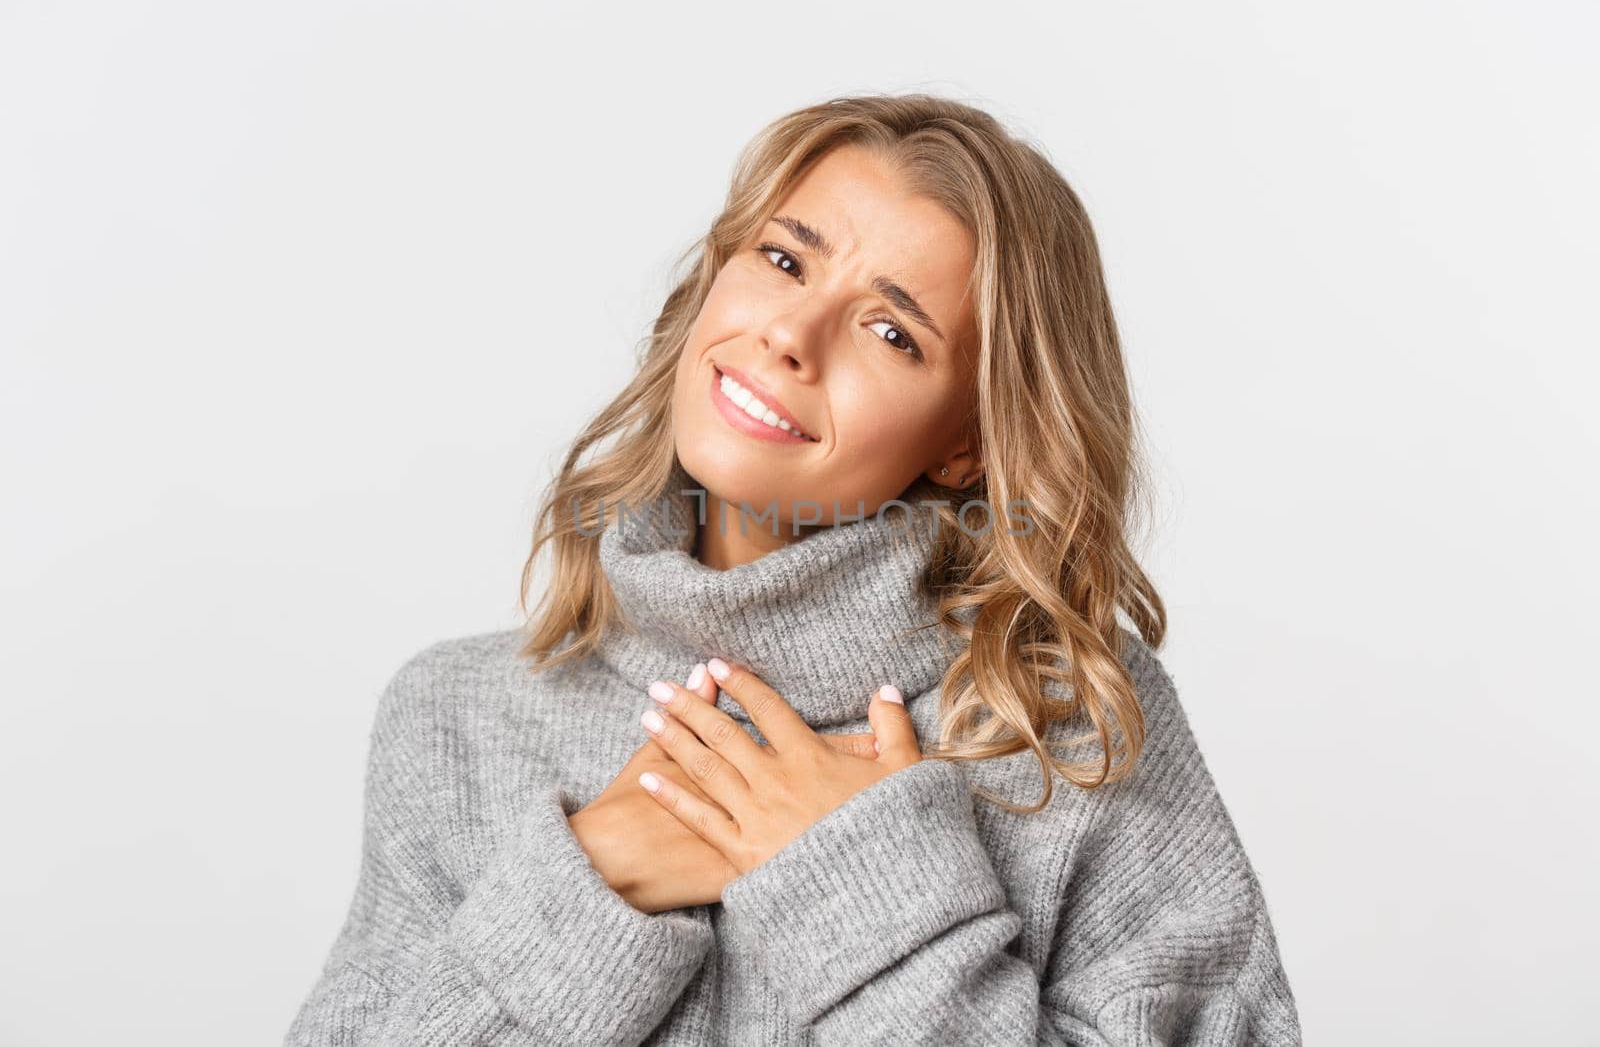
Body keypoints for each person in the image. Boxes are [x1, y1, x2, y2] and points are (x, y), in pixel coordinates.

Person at [285, 93, 1302, 1045]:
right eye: (782, 260)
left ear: (967, 442)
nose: (789, 334)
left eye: (892, 330)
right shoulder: (459, 714)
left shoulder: (1063, 722)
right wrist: (591, 878)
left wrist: (865, 891)